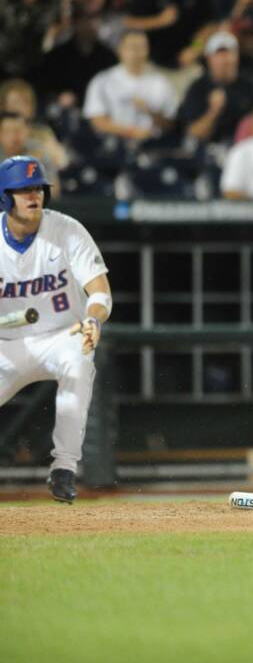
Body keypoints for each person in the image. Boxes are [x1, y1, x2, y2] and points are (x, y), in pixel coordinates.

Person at [0, 156, 113, 503]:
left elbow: (99, 291)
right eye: (22, 190)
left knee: (79, 359)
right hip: (7, 344)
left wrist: (93, 319)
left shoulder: (66, 229)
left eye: (37, 188)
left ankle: (64, 469)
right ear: (5, 197)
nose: (33, 196)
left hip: (63, 336)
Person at [83, 31, 178, 143]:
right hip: (113, 145)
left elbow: (171, 123)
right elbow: (97, 120)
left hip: (153, 144)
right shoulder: (103, 80)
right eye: (132, 46)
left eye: (142, 47)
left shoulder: (161, 82)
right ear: (120, 50)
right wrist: (132, 132)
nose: (137, 52)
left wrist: (151, 112)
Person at [178, 31, 253, 146]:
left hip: (244, 147)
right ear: (209, 59)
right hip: (209, 150)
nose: (225, 59)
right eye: (219, 54)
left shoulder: (251, 85)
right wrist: (213, 111)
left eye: (229, 53)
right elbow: (194, 133)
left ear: (237, 56)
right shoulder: (198, 88)